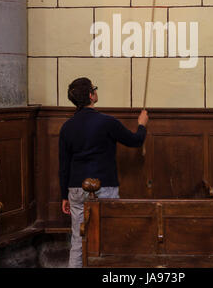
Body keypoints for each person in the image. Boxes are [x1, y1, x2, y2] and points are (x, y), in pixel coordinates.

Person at [58, 77, 148, 268]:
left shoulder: (66, 127)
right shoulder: (107, 122)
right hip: (104, 186)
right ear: (91, 95)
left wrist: (63, 196)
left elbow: (64, 164)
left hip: (75, 188)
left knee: (77, 239)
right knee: (107, 236)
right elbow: (135, 141)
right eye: (94, 89)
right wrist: (142, 124)